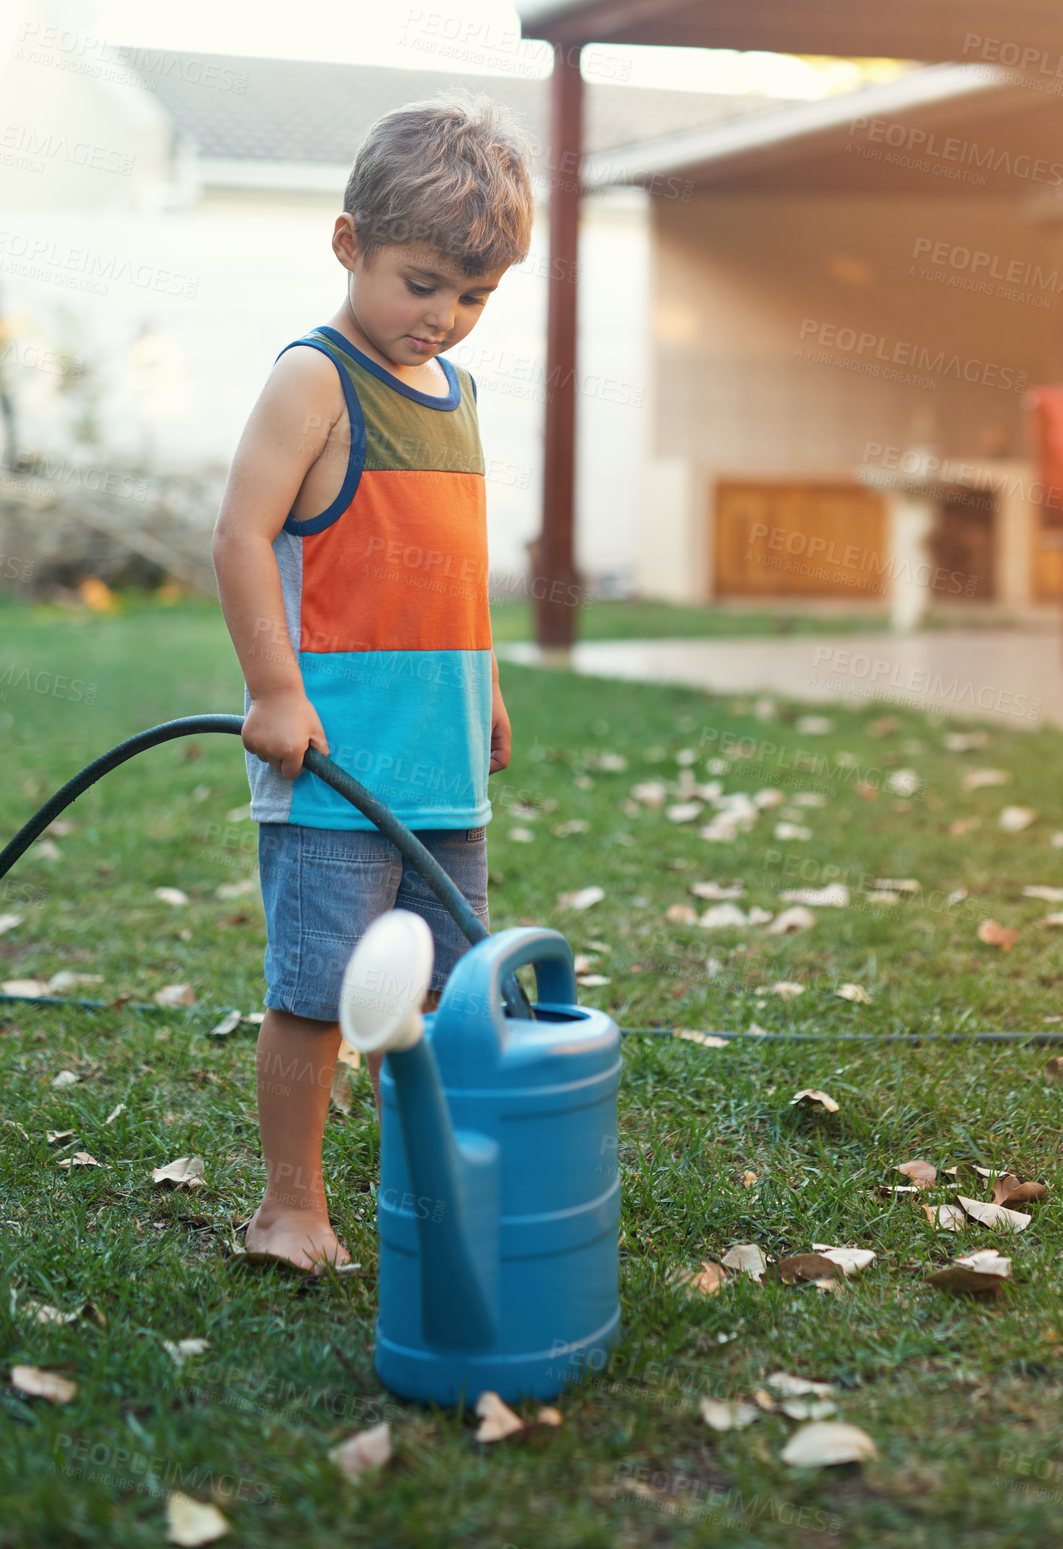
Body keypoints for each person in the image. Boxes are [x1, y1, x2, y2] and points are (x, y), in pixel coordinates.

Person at [211, 94, 533, 1270]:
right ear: (350, 244)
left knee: (446, 1005)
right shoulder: (317, 378)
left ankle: (428, 1191)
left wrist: (486, 684)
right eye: (421, 282)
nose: (443, 318)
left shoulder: (463, 397)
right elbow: (242, 535)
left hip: (441, 768)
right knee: (318, 991)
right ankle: (290, 1206)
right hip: (336, 766)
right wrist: (274, 689)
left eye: (475, 295)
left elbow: (455, 564)